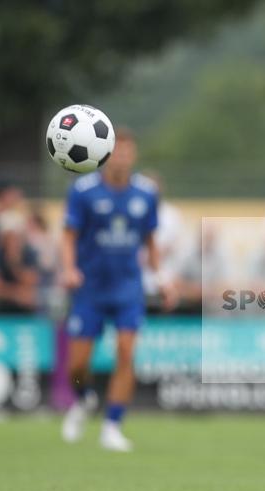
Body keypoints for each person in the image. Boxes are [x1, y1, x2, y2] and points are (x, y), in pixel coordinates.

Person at [60, 128, 176, 452]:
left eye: (128, 151)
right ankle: (84, 400)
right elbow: (69, 236)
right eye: (117, 151)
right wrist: (69, 269)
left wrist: (162, 277)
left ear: (134, 155)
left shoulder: (146, 193)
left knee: (126, 353)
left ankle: (112, 425)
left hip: (128, 288)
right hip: (90, 289)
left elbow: (151, 243)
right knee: (77, 367)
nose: (122, 156)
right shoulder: (83, 191)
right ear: (105, 153)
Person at [0, 211, 39, 314]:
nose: (13, 241)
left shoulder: (29, 252)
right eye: (9, 237)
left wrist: (14, 263)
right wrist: (17, 295)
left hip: (26, 311)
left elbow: (31, 281)